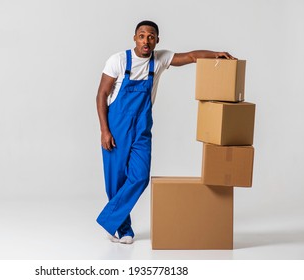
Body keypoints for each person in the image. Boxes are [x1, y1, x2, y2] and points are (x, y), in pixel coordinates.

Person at [96, 20, 235, 244]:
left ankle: (109, 219)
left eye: (151, 36)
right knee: (116, 180)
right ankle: (125, 230)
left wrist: (215, 54)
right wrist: (104, 130)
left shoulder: (159, 60)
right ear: (134, 38)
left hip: (142, 126)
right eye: (141, 36)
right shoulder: (118, 61)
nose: (146, 40)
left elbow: (190, 57)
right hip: (116, 125)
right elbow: (101, 95)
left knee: (140, 177)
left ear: (157, 40)